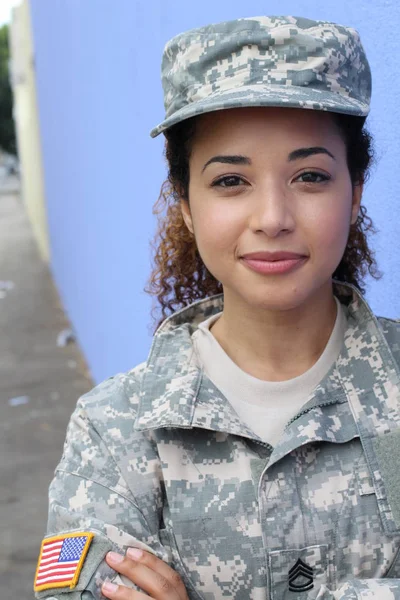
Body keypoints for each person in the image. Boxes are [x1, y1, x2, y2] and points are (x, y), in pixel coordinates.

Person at [33, 15, 400, 600]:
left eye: (309, 176)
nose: (273, 217)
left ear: (354, 194)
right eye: (231, 181)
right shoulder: (114, 429)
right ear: (185, 206)